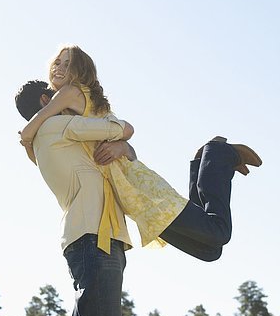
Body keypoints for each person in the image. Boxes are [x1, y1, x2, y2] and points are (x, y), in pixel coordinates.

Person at [18, 45, 262, 262]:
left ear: (79, 70)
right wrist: (122, 147)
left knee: (218, 233)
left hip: (137, 187)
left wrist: (26, 136)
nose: (58, 68)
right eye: (56, 63)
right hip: (129, 193)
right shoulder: (74, 112)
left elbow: (42, 117)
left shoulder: (70, 93)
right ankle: (202, 164)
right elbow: (121, 143)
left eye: (67, 63)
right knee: (210, 251)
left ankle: (216, 154)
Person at [16, 73, 135, 316]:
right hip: (93, 237)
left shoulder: (48, 136)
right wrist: (123, 141)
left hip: (91, 236)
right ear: (45, 103)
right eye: (57, 95)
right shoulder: (59, 128)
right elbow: (120, 126)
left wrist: (124, 148)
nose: (68, 97)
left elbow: (120, 145)